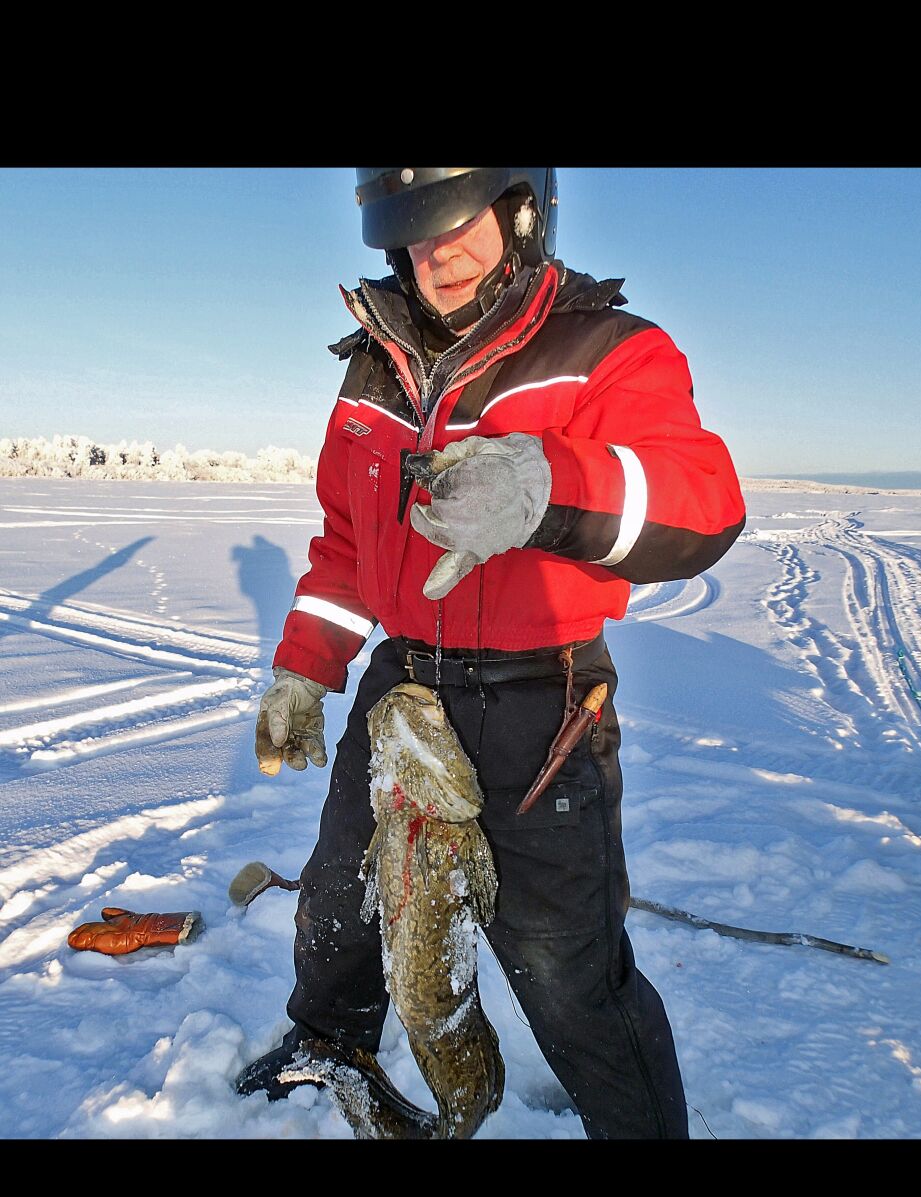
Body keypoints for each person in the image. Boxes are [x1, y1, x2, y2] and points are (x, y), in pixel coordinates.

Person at [237, 167, 746, 1139]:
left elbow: (700, 501)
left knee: (563, 968)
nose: (439, 252)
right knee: (344, 893)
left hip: (539, 692)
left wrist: (546, 484)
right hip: (402, 681)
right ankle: (328, 1035)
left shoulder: (605, 348)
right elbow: (348, 545)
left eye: (457, 220)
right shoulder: (371, 369)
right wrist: (305, 669)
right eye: (414, 232)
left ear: (520, 209)